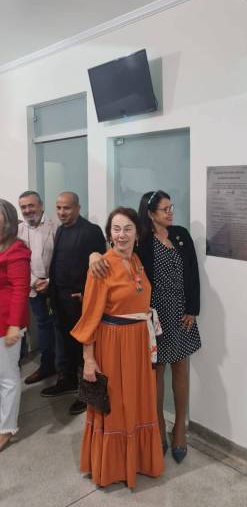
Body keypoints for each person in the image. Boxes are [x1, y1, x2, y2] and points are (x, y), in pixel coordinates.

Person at [90, 190, 201, 463]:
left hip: (181, 314)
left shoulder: (181, 235)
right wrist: (94, 255)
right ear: (151, 214)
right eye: (165, 209)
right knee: (156, 372)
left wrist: (192, 309)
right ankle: (158, 426)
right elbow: (118, 254)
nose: (170, 213)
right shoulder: (142, 240)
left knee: (181, 368)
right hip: (153, 317)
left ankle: (180, 429)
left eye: (171, 207)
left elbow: (193, 272)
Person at [71, 207, 164, 488]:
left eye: (127, 229)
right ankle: (112, 468)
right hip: (113, 346)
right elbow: (90, 316)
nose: (121, 235)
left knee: (136, 402)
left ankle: (137, 462)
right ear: (109, 234)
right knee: (116, 406)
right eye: (116, 229)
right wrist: (88, 359)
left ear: (137, 233)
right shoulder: (101, 267)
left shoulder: (136, 260)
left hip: (138, 345)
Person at [41, 192, 106, 416]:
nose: (61, 212)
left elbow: (99, 268)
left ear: (78, 207)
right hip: (59, 298)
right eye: (58, 208)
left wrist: (86, 294)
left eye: (66, 208)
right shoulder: (60, 229)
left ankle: (86, 395)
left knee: (83, 350)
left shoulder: (91, 231)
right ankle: (67, 381)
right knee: (65, 344)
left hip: (79, 301)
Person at [18, 191, 59, 384]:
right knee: (43, 325)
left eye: (31, 205)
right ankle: (47, 365)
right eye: (23, 207)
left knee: (61, 326)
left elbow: (63, 258)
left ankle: (65, 367)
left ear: (41, 205)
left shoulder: (56, 226)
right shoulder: (18, 230)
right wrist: (34, 281)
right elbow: (19, 262)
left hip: (55, 286)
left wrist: (49, 281)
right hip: (32, 286)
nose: (27, 210)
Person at [0, 199, 31, 451]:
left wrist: (14, 325)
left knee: (7, 377)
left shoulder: (17, 250)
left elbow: (21, 289)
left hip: (6, 322)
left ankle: (6, 428)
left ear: (8, 221)